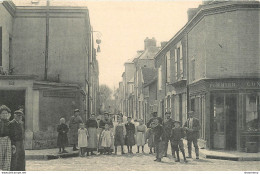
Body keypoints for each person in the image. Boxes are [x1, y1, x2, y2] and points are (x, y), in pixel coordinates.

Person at [0, 105, 12, 171]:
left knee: (7, 158)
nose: (4, 115)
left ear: (8, 114)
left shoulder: (10, 123)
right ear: (0, 115)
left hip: (8, 141)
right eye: (3, 113)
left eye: (6, 113)